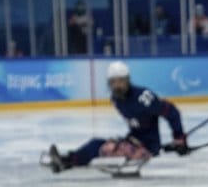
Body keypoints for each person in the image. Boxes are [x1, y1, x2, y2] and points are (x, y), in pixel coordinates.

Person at [46, 61, 187, 172]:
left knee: (107, 149)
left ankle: (68, 162)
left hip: (146, 147)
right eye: (113, 82)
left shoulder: (144, 98)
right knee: (96, 144)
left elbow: (171, 111)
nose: (117, 85)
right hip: (132, 141)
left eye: (121, 81)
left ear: (128, 80)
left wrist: (179, 138)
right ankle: (68, 161)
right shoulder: (116, 99)